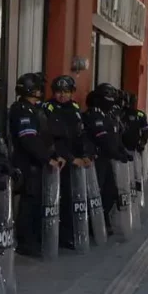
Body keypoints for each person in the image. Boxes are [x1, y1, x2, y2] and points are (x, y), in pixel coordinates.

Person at [8, 72, 65, 255]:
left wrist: (55, 155)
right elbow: (29, 139)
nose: (41, 90)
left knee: (37, 201)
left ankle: (35, 238)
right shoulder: (21, 109)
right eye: (38, 87)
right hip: (27, 164)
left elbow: (45, 137)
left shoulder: (37, 109)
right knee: (29, 202)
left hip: (40, 164)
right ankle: (26, 242)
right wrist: (47, 158)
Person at [43, 75, 95, 249]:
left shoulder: (74, 108)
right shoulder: (48, 108)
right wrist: (72, 159)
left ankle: (70, 233)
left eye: (66, 92)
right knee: (57, 200)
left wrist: (87, 154)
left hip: (74, 161)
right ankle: (57, 237)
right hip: (59, 161)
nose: (62, 95)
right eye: (59, 91)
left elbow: (80, 135)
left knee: (72, 199)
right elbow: (52, 139)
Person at [83, 83, 132, 233]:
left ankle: (102, 219)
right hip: (97, 159)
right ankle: (93, 223)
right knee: (96, 192)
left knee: (110, 192)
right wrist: (117, 154)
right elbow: (102, 139)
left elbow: (114, 137)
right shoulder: (93, 115)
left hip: (107, 159)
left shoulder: (109, 115)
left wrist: (122, 150)